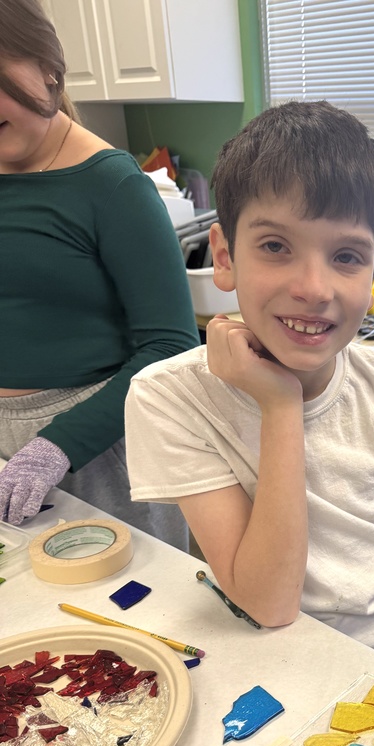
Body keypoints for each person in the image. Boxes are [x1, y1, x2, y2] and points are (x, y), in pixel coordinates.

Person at [125, 100, 374, 704]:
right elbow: (267, 602)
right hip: (280, 661)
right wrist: (280, 407)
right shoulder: (169, 399)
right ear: (224, 255)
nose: (314, 288)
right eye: (275, 246)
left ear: (373, 271)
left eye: (346, 256)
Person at [0, 0, 199, 546]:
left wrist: (55, 445)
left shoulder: (112, 185)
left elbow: (171, 346)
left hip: (97, 447)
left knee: (131, 612)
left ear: (48, 66)